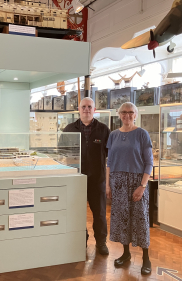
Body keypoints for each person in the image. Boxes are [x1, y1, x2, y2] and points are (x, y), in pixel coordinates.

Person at [106, 102, 153, 275]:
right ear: (119, 114)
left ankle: (146, 258)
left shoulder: (142, 134)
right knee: (122, 218)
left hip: (137, 182)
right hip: (117, 182)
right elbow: (109, 162)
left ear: (136, 114)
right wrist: (108, 184)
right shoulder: (113, 135)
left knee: (140, 219)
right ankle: (125, 254)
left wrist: (142, 186)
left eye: (130, 112)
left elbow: (149, 163)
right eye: (123, 112)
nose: (127, 115)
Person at [63, 97, 110, 255]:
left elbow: (110, 156)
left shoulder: (104, 130)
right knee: (76, 212)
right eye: (83, 106)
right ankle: (80, 238)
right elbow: (61, 153)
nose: (86, 109)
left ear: (94, 109)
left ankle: (101, 242)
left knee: (100, 213)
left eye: (90, 107)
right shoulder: (69, 129)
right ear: (79, 109)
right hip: (76, 180)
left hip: (97, 180)